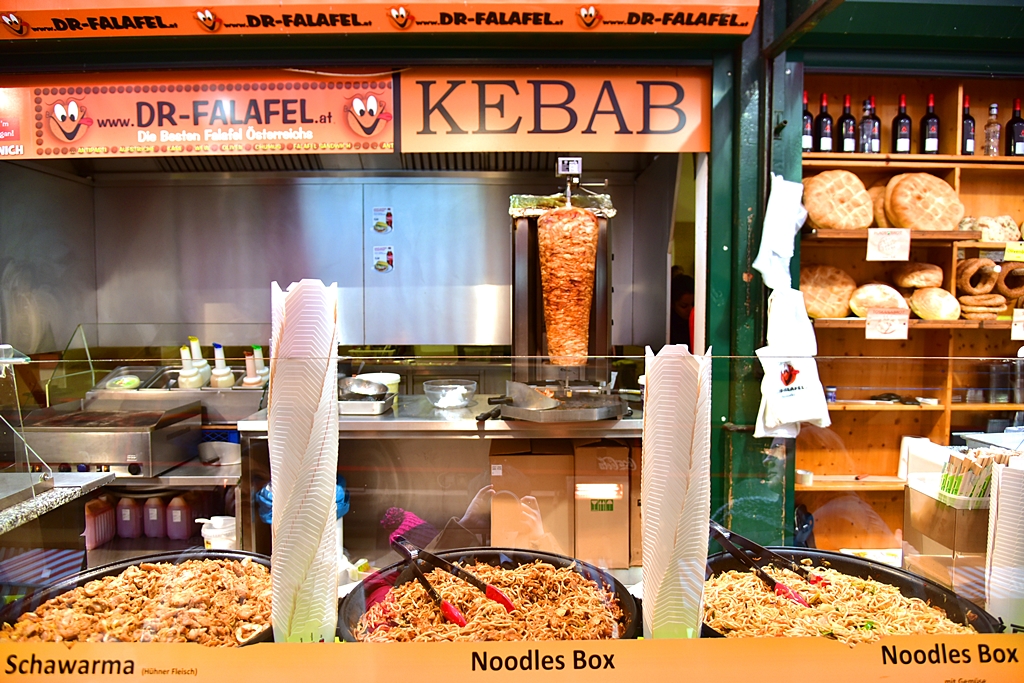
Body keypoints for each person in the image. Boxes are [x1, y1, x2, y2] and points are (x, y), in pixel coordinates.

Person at [670, 273, 695, 347]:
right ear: (672, 304)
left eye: (693, 304)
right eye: (684, 306)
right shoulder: (668, 328)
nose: (690, 310)